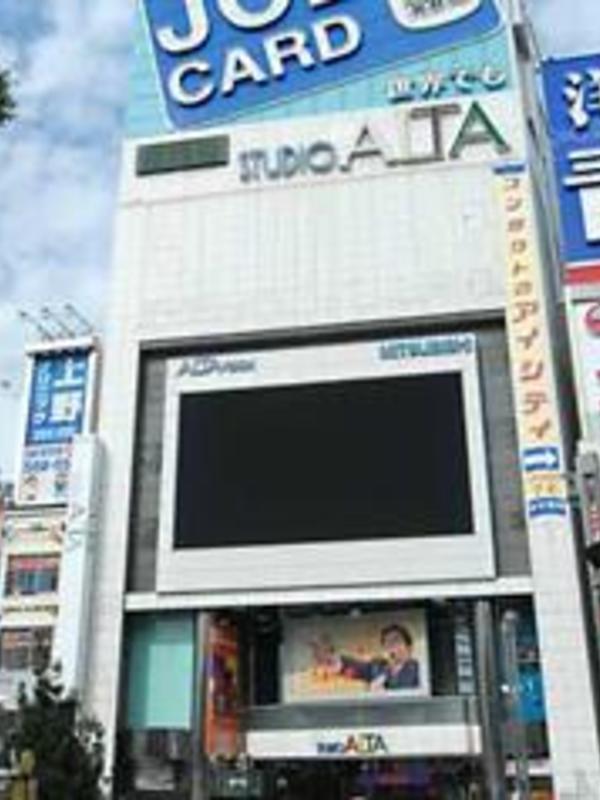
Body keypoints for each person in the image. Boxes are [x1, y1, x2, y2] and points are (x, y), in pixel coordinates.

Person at [311, 623, 420, 691]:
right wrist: (329, 656)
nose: (392, 647)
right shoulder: (378, 666)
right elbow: (355, 666)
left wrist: (385, 694)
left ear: (409, 648)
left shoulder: (418, 669)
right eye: (387, 643)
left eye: (396, 641)